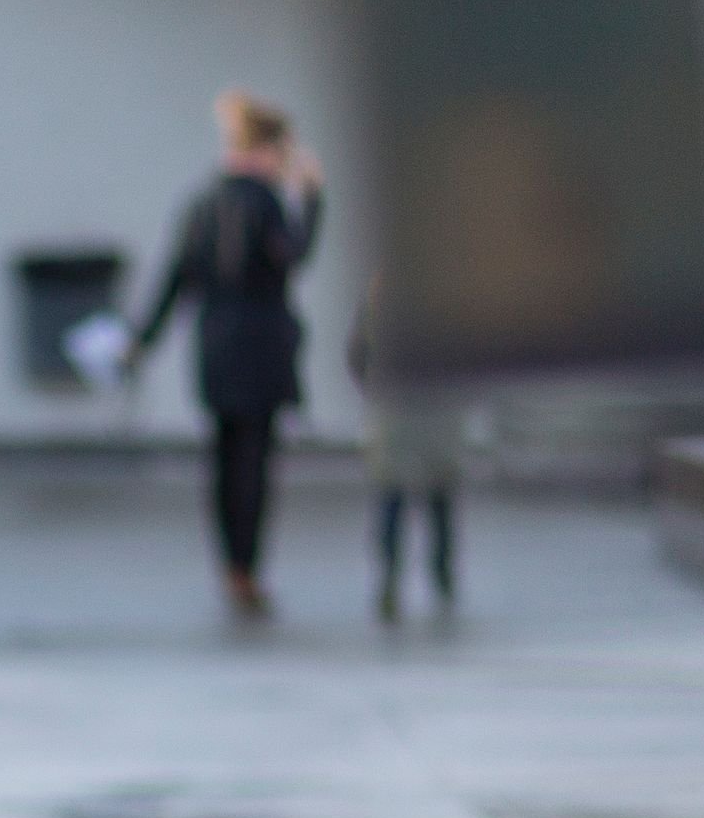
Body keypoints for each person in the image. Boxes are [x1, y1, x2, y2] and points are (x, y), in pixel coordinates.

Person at [127, 89, 325, 620]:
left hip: (214, 347)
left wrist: (141, 341)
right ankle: (248, 568)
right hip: (260, 349)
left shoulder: (202, 202)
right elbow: (293, 257)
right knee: (254, 464)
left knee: (221, 462)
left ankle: (230, 565)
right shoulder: (265, 203)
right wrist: (312, 202)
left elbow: (175, 277)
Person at [352, 280, 468, 622]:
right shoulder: (449, 289)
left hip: (395, 405)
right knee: (438, 495)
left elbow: (357, 352)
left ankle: (390, 578)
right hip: (436, 403)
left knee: (394, 495)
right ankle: (441, 574)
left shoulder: (379, 289)